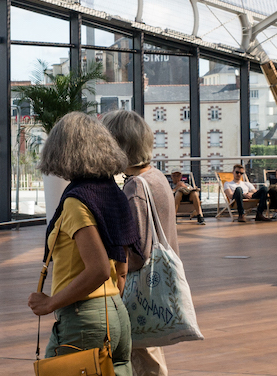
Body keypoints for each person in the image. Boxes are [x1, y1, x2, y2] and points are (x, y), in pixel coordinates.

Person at [27, 112, 137, 375]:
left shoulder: (77, 202)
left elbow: (98, 268)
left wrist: (50, 303)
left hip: (82, 317)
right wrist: (108, 305)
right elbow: (121, 268)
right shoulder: (113, 193)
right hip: (116, 313)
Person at [103, 110, 175, 376]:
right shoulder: (156, 177)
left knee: (141, 356)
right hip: (157, 287)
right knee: (150, 353)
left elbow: (137, 253)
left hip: (139, 291)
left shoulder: (136, 187)